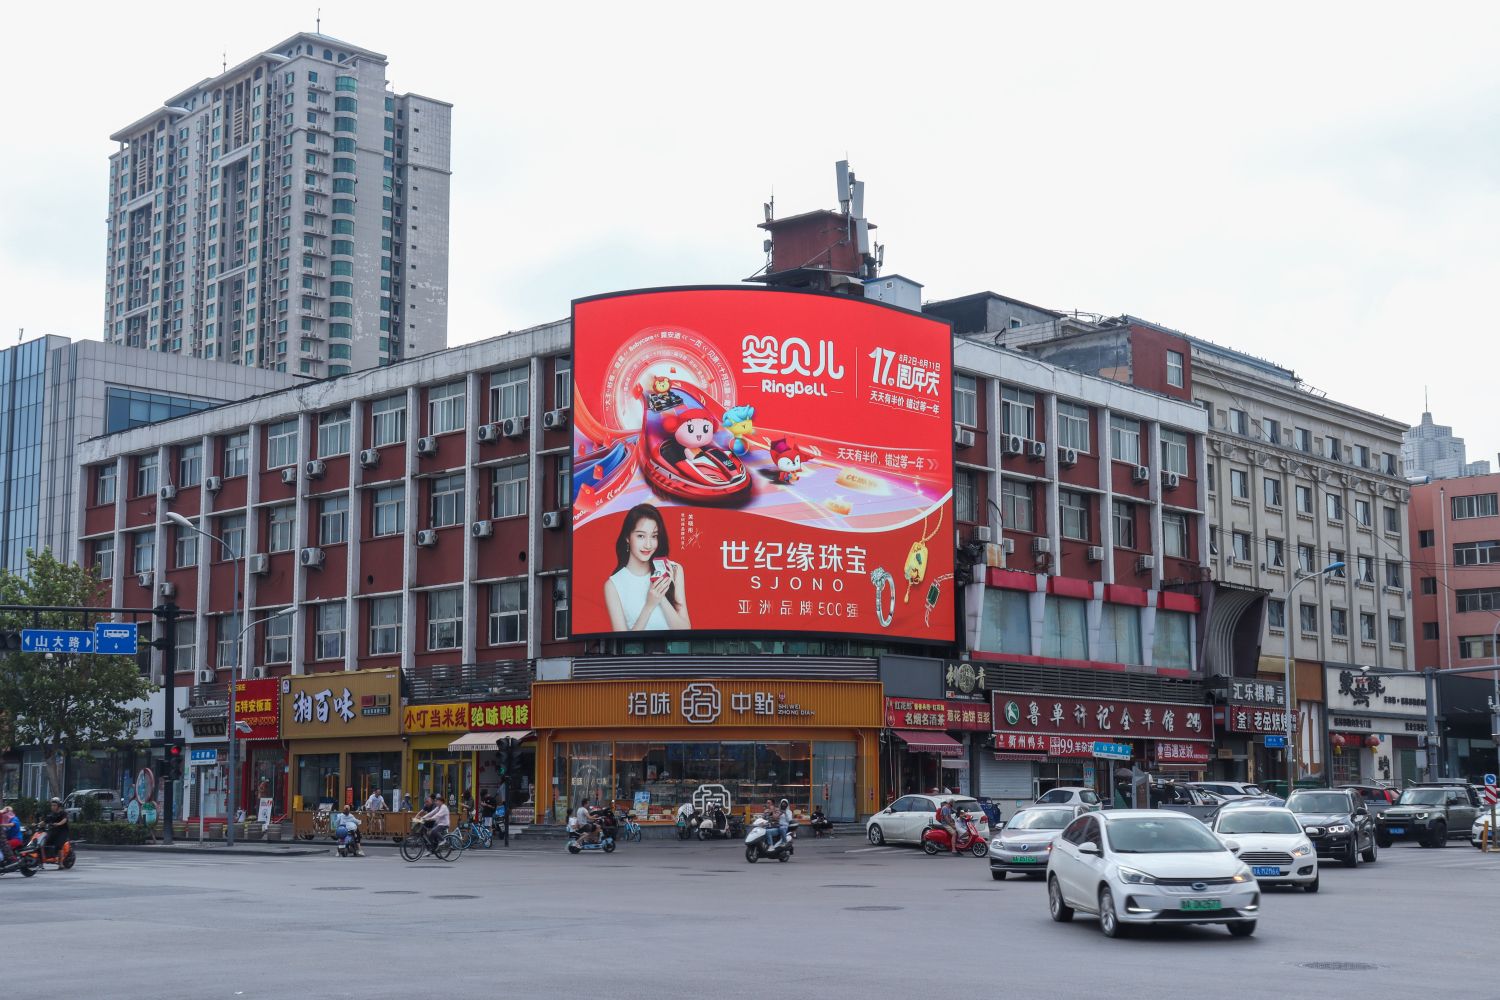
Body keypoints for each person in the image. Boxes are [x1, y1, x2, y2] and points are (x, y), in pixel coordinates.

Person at [604, 504, 690, 631]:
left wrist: (661, 598)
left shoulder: (674, 569)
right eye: (641, 536)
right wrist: (649, 605)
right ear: (627, 537)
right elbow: (623, 640)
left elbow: (685, 630)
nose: (648, 545)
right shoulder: (613, 585)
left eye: (654, 536)